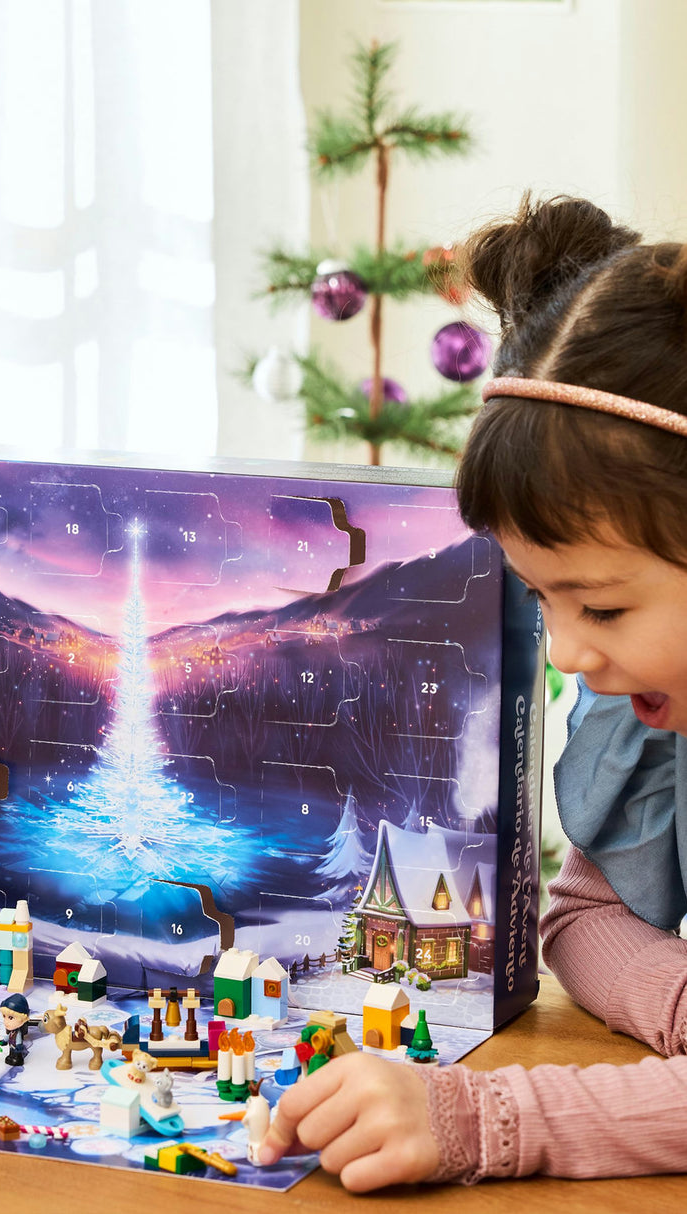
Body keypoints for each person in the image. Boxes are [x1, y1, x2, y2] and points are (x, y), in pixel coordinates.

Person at [259, 195, 687, 1188]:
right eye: (544, 600)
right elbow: (580, 917)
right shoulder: (643, 707)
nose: (567, 655)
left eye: (603, 607)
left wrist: (482, 1114)